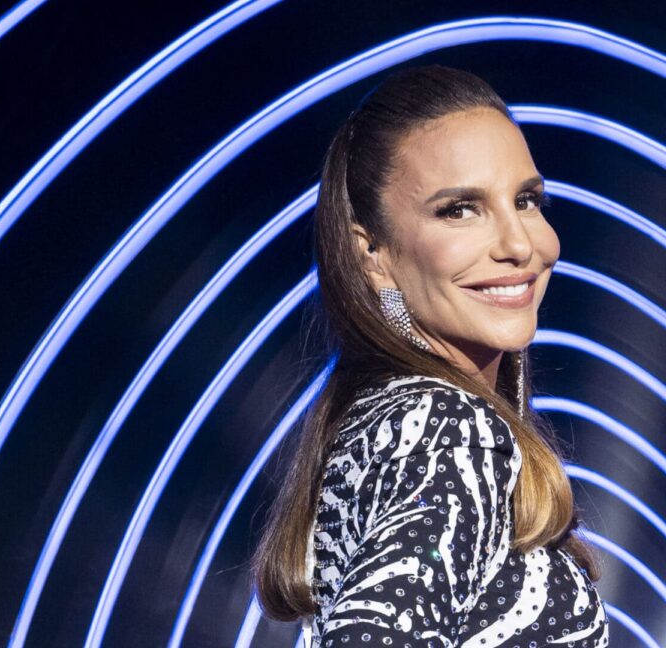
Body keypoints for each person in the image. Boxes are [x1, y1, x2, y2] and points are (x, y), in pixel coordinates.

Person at [251, 64, 610, 647]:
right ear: (373, 254)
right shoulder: (449, 434)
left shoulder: (386, 421)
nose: (519, 243)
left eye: (526, 200)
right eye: (459, 209)